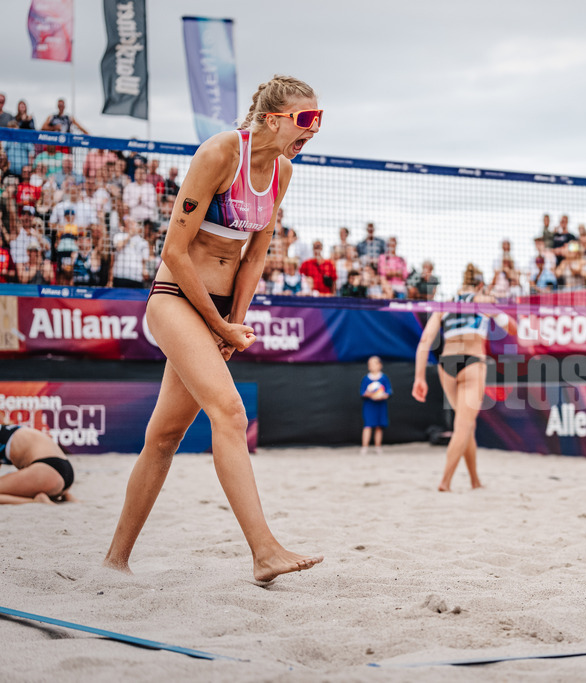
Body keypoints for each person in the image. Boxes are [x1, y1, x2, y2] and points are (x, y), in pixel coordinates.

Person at [103, 75, 324, 582]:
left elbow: (256, 255)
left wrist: (235, 323)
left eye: (319, 120)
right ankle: (264, 551)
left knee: (163, 437)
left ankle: (114, 561)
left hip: (220, 310)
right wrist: (216, 323)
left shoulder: (283, 170)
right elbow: (173, 253)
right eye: (306, 120)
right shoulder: (221, 153)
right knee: (229, 412)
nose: (314, 130)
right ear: (273, 119)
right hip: (176, 299)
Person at [412, 264, 513, 492]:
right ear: (480, 284)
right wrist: (500, 312)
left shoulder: (445, 304)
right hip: (472, 362)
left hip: (447, 364)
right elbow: (513, 329)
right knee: (463, 425)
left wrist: (419, 377)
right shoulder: (484, 300)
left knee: (467, 424)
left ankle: (475, 481)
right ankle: (445, 482)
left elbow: (425, 342)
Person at [0, 425, 77, 504]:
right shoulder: (8, 430)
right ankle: (64, 497)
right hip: (67, 472)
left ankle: (35, 501)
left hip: (46, 471)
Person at [360, 356, 391, 455]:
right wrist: (369, 394)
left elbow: (388, 392)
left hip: (380, 405)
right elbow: (363, 392)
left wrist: (383, 395)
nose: (372, 366)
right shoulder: (366, 379)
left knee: (379, 427)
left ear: (380, 365)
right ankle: (365, 447)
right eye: (370, 364)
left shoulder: (384, 378)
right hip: (369, 406)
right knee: (368, 426)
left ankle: (378, 447)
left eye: (375, 363)